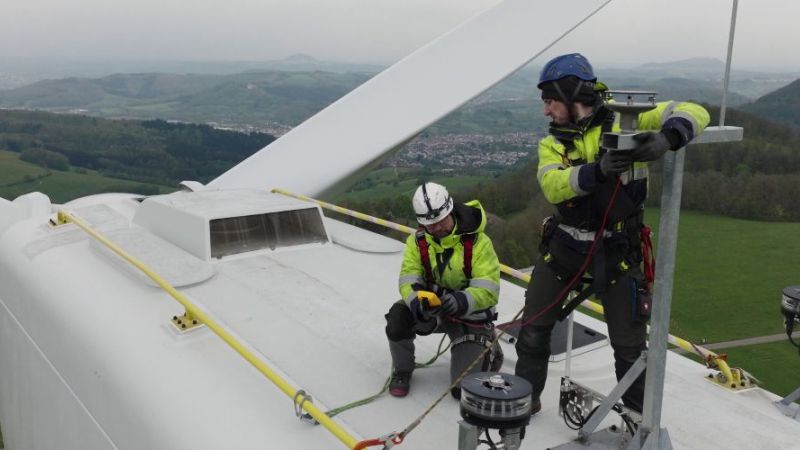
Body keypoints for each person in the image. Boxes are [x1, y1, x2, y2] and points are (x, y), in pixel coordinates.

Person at [514, 53, 710, 413]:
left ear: (571, 94)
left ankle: (635, 418)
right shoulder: (553, 143)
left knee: (630, 347)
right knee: (533, 330)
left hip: (620, 251)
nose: (546, 111)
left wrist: (668, 138)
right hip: (565, 247)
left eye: (550, 101)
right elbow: (554, 186)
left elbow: (693, 110)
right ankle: (524, 402)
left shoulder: (628, 119)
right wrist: (598, 171)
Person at [385, 182, 503, 399]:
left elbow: (489, 288)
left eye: (440, 222)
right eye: (430, 226)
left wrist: (461, 300)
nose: (437, 229)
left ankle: (490, 349)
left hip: (467, 315)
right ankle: (402, 370)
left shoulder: (478, 242)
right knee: (398, 318)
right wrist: (415, 301)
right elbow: (408, 277)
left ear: (450, 210)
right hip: (433, 310)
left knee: (462, 391)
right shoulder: (418, 242)